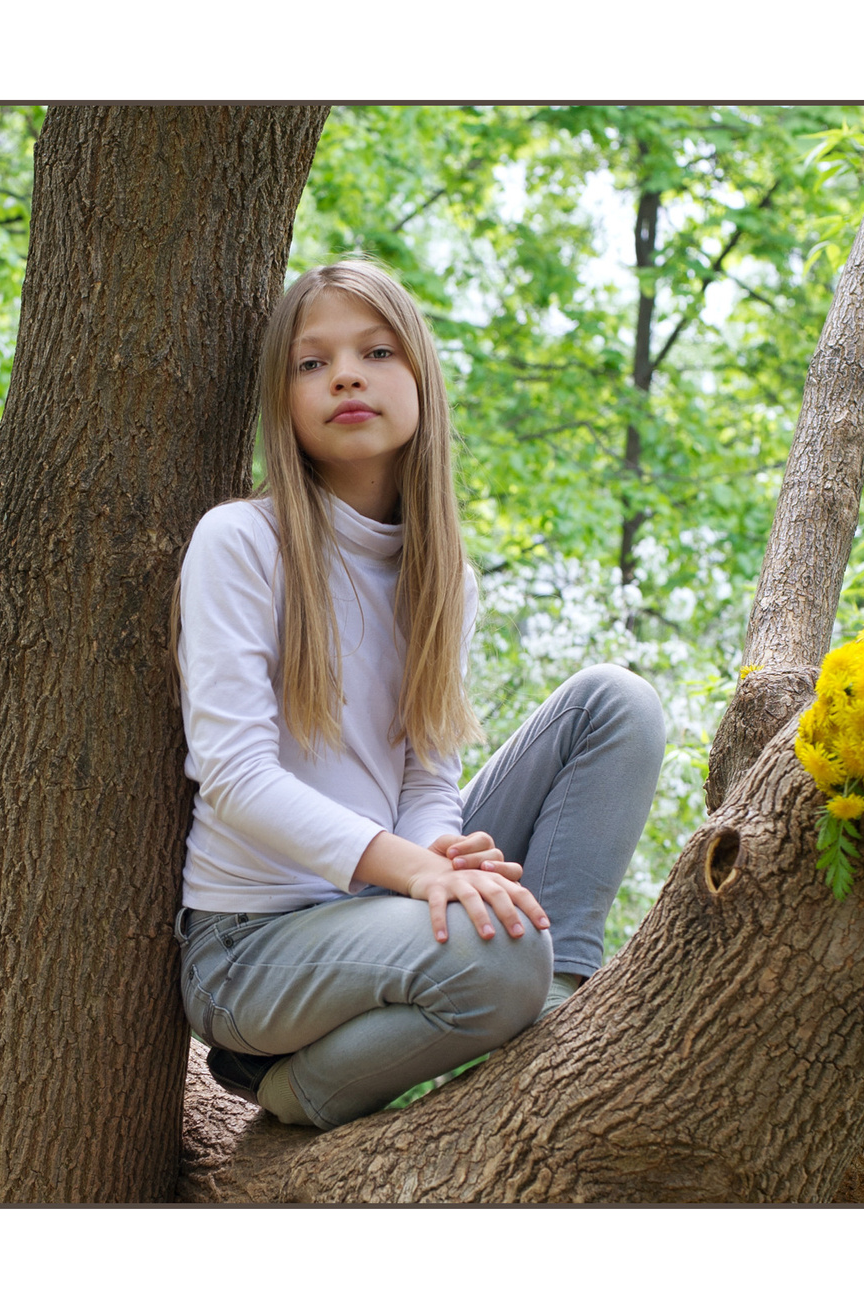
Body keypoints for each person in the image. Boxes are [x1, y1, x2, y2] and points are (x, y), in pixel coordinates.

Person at [175, 260, 664, 1130]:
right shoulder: (243, 542)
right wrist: (419, 871)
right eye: (311, 363)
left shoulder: (443, 578)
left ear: (420, 380)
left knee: (614, 704)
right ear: (282, 402)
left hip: (379, 903)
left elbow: (427, 774)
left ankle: (562, 1004)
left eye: (376, 351)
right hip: (252, 948)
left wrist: (441, 847)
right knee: (502, 955)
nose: (347, 375)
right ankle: (292, 1084)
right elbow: (236, 777)